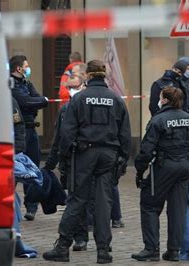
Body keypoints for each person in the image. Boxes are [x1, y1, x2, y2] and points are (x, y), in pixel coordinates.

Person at [43, 60, 131, 264]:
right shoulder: (116, 100)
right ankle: (103, 251)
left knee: (77, 200)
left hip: (84, 155)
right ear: (105, 75)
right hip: (109, 155)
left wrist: (63, 160)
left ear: (88, 76)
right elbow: (125, 134)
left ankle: (63, 247)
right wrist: (123, 159)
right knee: (103, 202)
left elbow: (67, 133)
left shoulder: (79, 99)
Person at [132, 87, 189, 262]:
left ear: (164, 100)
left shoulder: (158, 120)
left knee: (150, 205)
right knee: (177, 209)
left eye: (160, 97)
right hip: (184, 167)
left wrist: (140, 170)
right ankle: (173, 251)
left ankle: (151, 249)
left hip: (164, 167)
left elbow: (146, 149)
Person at [43, 63, 90, 252]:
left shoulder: (88, 107)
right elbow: (58, 139)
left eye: (75, 87)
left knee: (84, 201)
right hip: (71, 161)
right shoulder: (64, 110)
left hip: (88, 160)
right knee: (76, 199)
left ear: (84, 86)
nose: (71, 91)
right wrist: (51, 164)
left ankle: (82, 238)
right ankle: (81, 237)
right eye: (69, 88)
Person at [9, 55, 48, 221]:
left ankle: (31, 206)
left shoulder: (26, 83)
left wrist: (39, 101)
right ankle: (10, 204)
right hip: (17, 131)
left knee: (32, 168)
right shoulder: (11, 85)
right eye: (26, 65)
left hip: (31, 131)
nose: (28, 68)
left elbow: (37, 98)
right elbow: (25, 102)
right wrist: (38, 101)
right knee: (16, 167)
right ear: (19, 68)